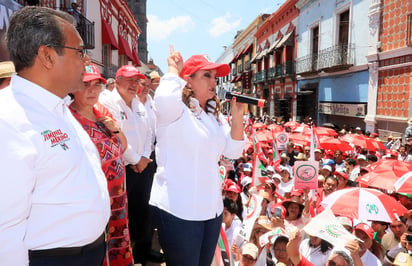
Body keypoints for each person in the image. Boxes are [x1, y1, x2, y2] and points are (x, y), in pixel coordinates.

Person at [1, 6, 110, 265]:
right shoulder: (8, 119)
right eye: (80, 52)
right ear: (48, 56)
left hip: (88, 253)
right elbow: (4, 228)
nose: (87, 61)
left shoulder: (57, 106)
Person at [149, 49, 245, 265]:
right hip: (179, 210)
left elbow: (232, 152)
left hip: (210, 210)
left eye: (215, 76)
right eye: (206, 75)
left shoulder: (213, 116)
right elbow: (164, 98)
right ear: (188, 81)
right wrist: (174, 69)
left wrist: (238, 117)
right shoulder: (175, 112)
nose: (214, 81)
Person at [69, 64, 133, 265]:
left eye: (97, 84)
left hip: (118, 201)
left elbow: (122, 146)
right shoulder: (69, 119)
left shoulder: (100, 111)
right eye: (86, 84)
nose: (93, 90)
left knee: (117, 247)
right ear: (73, 86)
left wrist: (114, 129)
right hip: (95, 204)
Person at [99, 65, 154, 264]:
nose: (134, 85)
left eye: (136, 80)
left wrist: (145, 158)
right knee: (121, 217)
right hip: (121, 170)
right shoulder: (108, 101)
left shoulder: (138, 104)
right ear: (118, 80)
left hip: (142, 167)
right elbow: (115, 136)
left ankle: (141, 254)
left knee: (143, 213)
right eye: (129, 80)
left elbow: (148, 132)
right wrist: (137, 159)